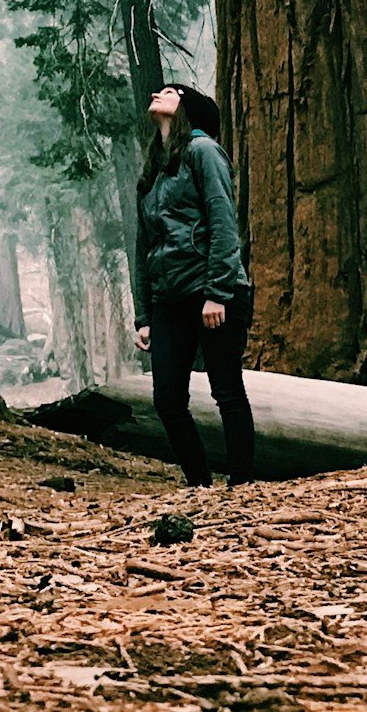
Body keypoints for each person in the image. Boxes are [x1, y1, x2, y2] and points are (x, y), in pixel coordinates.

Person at [132, 82, 255, 486]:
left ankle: (241, 485)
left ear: (186, 107)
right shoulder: (153, 167)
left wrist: (217, 292)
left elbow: (223, 224)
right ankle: (200, 485)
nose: (157, 94)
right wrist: (144, 316)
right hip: (169, 300)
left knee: (227, 391)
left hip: (214, 292)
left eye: (168, 91)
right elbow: (144, 248)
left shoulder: (203, 152)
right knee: (167, 400)